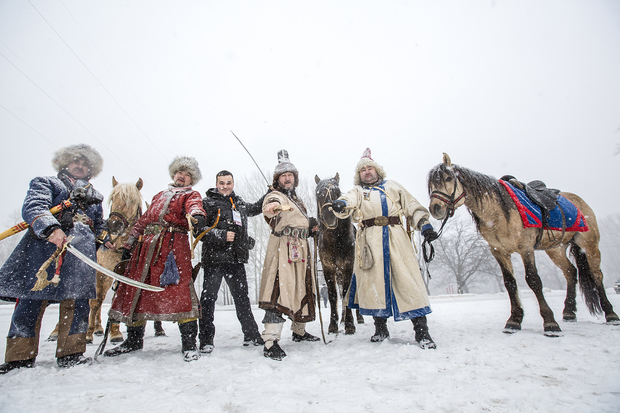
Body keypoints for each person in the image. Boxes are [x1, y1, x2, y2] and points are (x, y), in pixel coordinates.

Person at [0, 144, 111, 373]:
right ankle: (20, 356)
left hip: (81, 256)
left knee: (78, 303)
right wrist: (51, 229)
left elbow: (98, 224)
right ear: (65, 163)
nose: (79, 166)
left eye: (84, 164)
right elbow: (34, 207)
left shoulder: (95, 197)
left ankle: (71, 353)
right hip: (44, 252)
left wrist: (105, 237)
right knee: (31, 300)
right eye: (75, 162)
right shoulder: (46, 183)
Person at [331, 148, 439, 349]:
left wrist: (424, 225)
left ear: (377, 170)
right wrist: (340, 204)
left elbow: (412, 206)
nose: (367, 172)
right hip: (369, 243)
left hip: (396, 238)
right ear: (359, 175)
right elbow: (348, 200)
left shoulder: (393, 186)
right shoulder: (358, 192)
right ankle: (380, 329)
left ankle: (422, 332)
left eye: (370, 168)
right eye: (363, 170)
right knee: (374, 285)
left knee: (408, 282)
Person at [104, 156, 207, 362]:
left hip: (173, 248)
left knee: (180, 292)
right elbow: (143, 221)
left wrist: (197, 216)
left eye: (187, 175)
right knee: (137, 290)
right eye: (179, 172)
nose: (182, 176)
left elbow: (195, 207)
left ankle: (189, 344)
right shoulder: (159, 195)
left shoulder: (191, 194)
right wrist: (129, 244)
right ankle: (133, 341)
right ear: (174, 174)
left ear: (191, 180)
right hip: (144, 250)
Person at [259, 150, 320, 361]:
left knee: (301, 287)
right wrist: (272, 207)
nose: (287, 178)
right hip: (282, 249)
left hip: (301, 249)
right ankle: (270, 342)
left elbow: (297, 219)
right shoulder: (275, 195)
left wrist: (310, 225)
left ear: (295, 178)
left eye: (290, 175)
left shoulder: (296, 199)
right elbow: (270, 207)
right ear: (277, 179)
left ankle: (299, 332)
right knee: (279, 291)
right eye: (283, 175)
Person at [198, 170, 266, 353]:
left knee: (242, 299)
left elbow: (256, 208)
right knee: (208, 300)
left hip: (236, 260)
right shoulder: (207, 203)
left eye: (228, 183)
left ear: (232, 184)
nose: (225, 186)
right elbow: (199, 230)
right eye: (222, 182)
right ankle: (205, 340)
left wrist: (269, 192)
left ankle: (251, 335)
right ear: (216, 183)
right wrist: (220, 235)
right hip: (214, 260)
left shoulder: (239, 203)